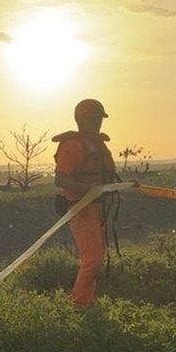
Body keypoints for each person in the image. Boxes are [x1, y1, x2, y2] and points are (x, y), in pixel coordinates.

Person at [52, 98, 119, 309]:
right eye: (93, 119)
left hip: (99, 208)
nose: (97, 123)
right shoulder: (73, 146)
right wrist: (88, 191)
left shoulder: (98, 144)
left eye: (100, 119)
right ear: (81, 120)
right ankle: (79, 304)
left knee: (95, 258)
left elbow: (103, 174)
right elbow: (60, 179)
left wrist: (121, 185)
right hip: (81, 208)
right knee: (93, 260)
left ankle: (87, 300)